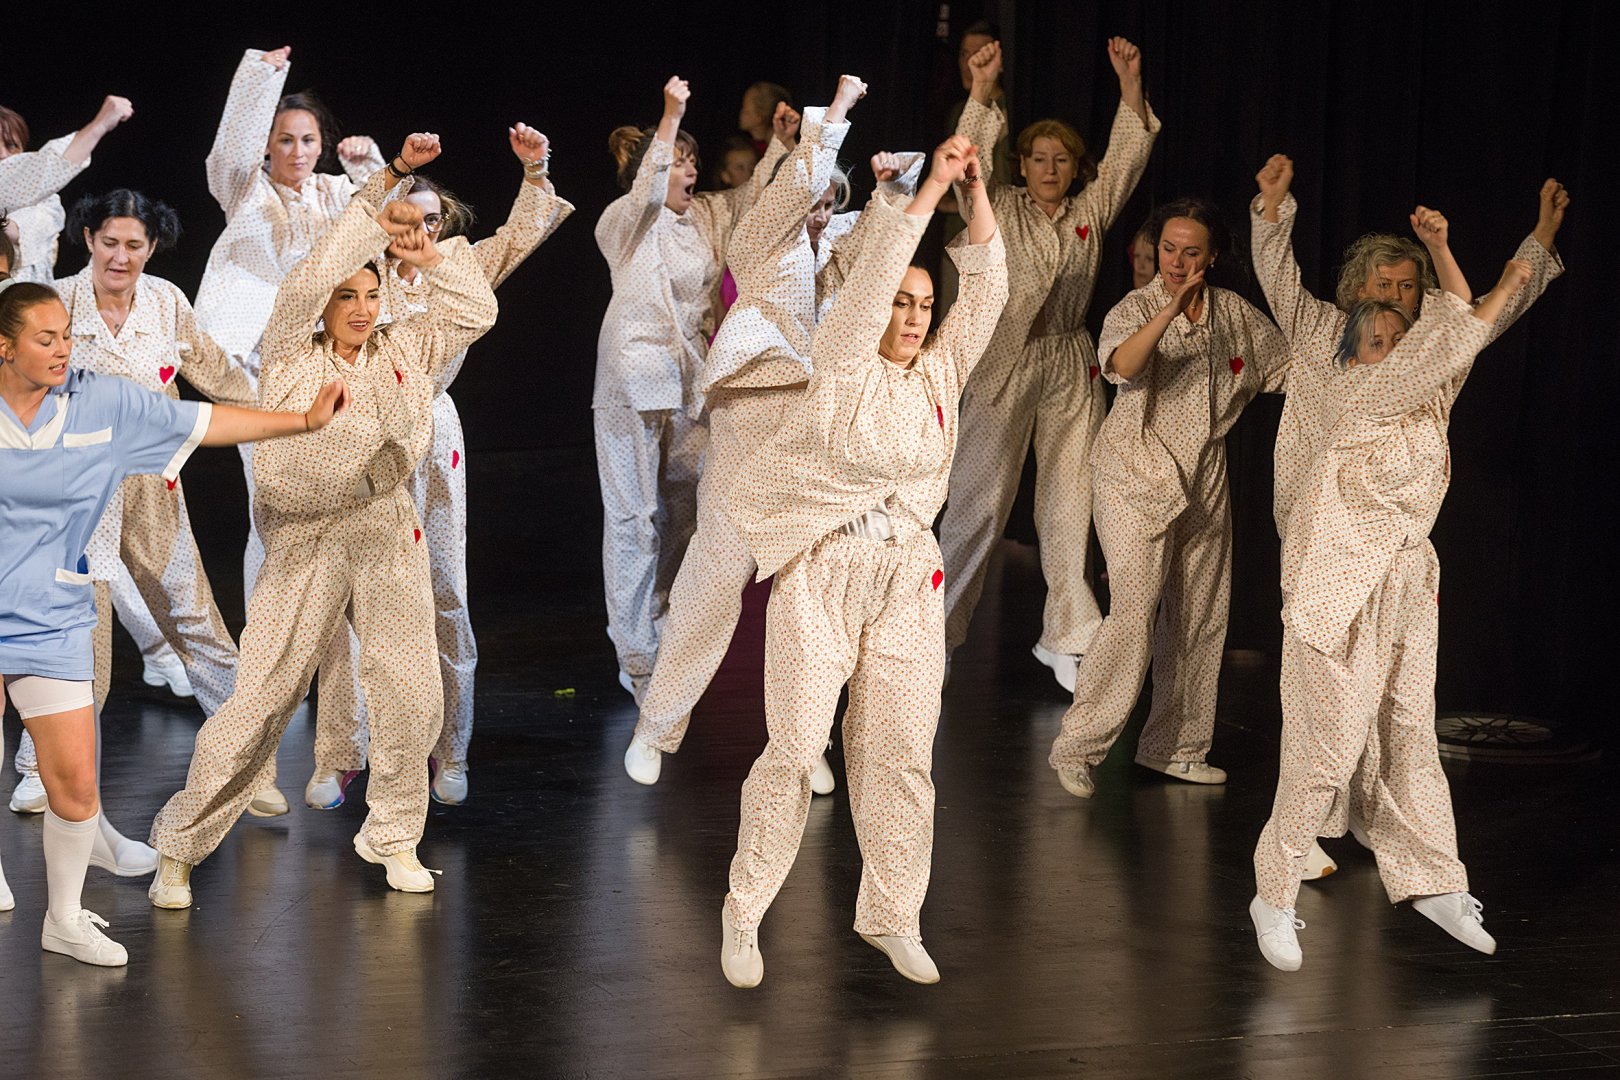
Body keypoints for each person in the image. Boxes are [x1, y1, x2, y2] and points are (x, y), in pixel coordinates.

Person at [146, 197, 498, 908]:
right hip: (307, 537)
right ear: (324, 304)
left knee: (412, 691)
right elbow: (306, 281)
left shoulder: (405, 348)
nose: (362, 309)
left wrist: (428, 255)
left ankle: (394, 835)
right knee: (262, 698)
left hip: (387, 528)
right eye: (347, 297)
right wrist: (376, 208)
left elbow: (477, 311)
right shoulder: (288, 349)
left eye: (372, 295)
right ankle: (179, 847)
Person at [718, 133, 1007, 989]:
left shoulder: (940, 375)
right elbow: (876, 275)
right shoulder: (843, 360)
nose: (913, 317)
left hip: (907, 578)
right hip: (824, 571)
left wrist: (977, 193)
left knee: (903, 754)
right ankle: (744, 912)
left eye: (925, 305)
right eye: (902, 303)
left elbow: (990, 290)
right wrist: (930, 192)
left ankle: (893, 915)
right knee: (795, 746)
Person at [0, 275, 348, 964]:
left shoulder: (102, 403)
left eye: (67, 336)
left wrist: (303, 421)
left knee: (76, 786)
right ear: (5, 347)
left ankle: (63, 919)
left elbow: (203, 422)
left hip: (53, 619)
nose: (63, 349)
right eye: (46, 340)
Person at [1249, 155, 1567, 882]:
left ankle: (1370, 814)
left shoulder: (1428, 352)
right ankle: (1306, 826)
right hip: (1319, 534)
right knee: (1323, 693)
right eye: (1382, 284)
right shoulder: (1317, 327)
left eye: (1407, 286)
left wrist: (1541, 238)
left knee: (1383, 692)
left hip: (1388, 543)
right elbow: (1275, 272)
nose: (1395, 295)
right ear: (1354, 288)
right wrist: (1270, 210)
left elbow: (1493, 308)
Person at [1249, 255, 1536, 972]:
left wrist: (1529, 249)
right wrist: (1499, 276)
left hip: (1404, 584)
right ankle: (1273, 894)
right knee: (1327, 752)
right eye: (1377, 343)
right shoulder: (1359, 395)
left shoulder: (1428, 402)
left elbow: (1468, 334)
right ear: (1352, 358)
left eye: (1401, 343)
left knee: (1409, 732)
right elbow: (1458, 333)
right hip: (1336, 593)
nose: (1393, 354)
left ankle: (1434, 882)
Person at [307, 124, 574, 810]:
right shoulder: (361, 277)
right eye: (407, 217)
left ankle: (450, 748)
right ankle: (342, 752)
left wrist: (535, 171)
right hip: (363, 434)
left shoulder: (458, 269)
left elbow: (521, 234)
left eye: (431, 221)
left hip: (431, 434)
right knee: (348, 597)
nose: (418, 231)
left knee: (445, 593)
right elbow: (346, 226)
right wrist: (389, 170)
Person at [191, 44, 426, 817]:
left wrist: (371, 167)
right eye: (285, 140)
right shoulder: (246, 191)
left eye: (307, 140)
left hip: (337, 384)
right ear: (268, 146)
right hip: (267, 388)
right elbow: (230, 150)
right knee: (277, 543)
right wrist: (261, 75)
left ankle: (340, 742)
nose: (296, 152)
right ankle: (259, 732)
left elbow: (395, 223)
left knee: (345, 547)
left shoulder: (335, 193)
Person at [623, 75, 872, 787]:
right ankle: (657, 725)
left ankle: (805, 744)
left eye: (829, 204)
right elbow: (794, 187)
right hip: (749, 430)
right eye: (810, 201)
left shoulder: (838, 263)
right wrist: (834, 115)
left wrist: (904, 189)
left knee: (807, 603)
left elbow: (888, 239)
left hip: (812, 443)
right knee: (711, 583)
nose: (818, 215)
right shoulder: (761, 240)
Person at [8, 190, 256, 855]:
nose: (121, 256)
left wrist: (279, 415)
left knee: (193, 614)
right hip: (73, 490)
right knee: (74, 631)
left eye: (135, 245)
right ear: (89, 239)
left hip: (151, 483)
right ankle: (38, 769)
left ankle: (246, 750)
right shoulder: (56, 301)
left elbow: (215, 370)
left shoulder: (166, 301)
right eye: (110, 242)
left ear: (152, 247)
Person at [1047, 198, 1291, 798]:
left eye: (1191, 252)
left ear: (1213, 257)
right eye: (1168, 249)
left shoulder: (1233, 313)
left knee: (1200, 615)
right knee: (1133, 614)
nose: (1177, 262)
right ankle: (1078, 747)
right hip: (1133, 473)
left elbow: (1287, 368)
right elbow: (1124, 367)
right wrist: (1170, 308)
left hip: (1203, 474)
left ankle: (1176, 748)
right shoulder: (1135, 307)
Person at [937, 37, 1159, 692]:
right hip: (1003, 360)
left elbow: (1124, 164)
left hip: (1068, 359)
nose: (1050, 168)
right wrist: (981, 92)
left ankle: (1067, 635)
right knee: (978, 502)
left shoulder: (1088, 211)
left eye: (1061, 159)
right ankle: (932, 634)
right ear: (1023, 163)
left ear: (1074, 167)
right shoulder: (1000, 204)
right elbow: (967, 173)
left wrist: (1129, 85)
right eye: (1038, 157)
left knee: (1070, 501)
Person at [594, 77, 791, 702]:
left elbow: (754, 199)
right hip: (632, 381)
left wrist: (782, 147)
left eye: (690, 161)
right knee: (633, 519)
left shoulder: (704, 215)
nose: (689, 170)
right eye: (677, 161)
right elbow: (649, 187)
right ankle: (637, 655)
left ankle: (667, 632)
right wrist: (671, 115)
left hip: (690, 382)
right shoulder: (624, 222)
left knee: (684, 516)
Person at [0, 95, 132, 214]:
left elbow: (47, 170)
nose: (3, 154)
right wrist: (100, 125)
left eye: (11, 145)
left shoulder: (48, 204)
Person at [738, 81, 793, 156]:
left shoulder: (783, 152)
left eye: (745, 109)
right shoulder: (748, 148)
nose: (741, 113)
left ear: (760, 116)